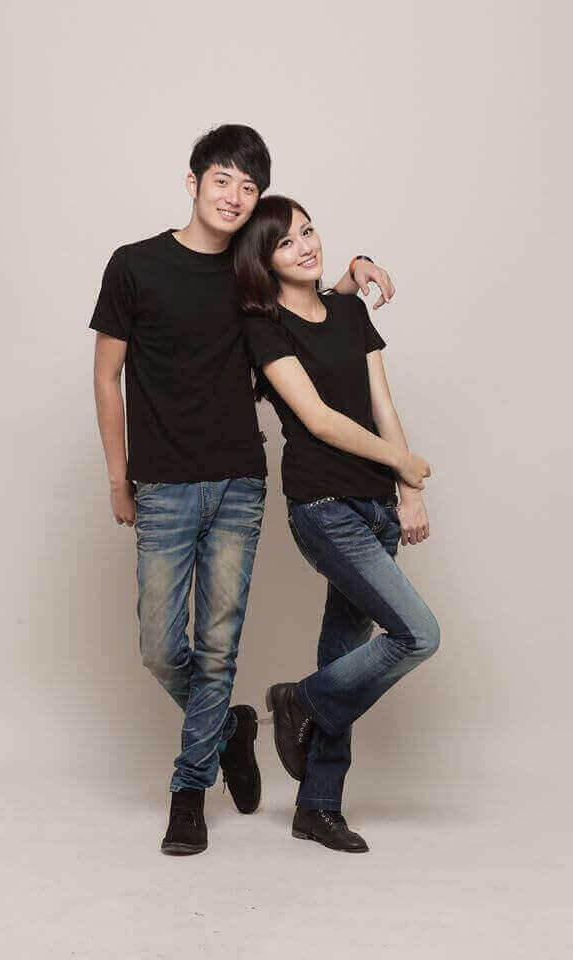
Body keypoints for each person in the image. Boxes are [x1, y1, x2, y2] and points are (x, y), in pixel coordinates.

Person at [89, 126, 396, 856]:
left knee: (217, 649)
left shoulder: (249, 271)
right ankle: (229, 727)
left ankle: (188, 793)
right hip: (162, 485)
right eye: (222, 179)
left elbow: (313, 304)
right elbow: (106, 377)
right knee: (160, 647)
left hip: (239, 483)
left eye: (248, 186)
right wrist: (118, 477)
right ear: (192, 182)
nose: (234, 196)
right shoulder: (134, 265)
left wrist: (353, 270)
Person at [236, 195, 440, 853]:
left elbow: (383, 406)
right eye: (286, 242)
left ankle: (317, 806)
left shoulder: (351, 312)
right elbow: (319, 420)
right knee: (418, 634)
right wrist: (403, 461)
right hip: (324, 507)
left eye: (308, 231)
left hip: (378, 507)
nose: (305, 246)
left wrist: (408, 490)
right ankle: (298, 700)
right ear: (264, 261)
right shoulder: (263, 326)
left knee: (347, 662)